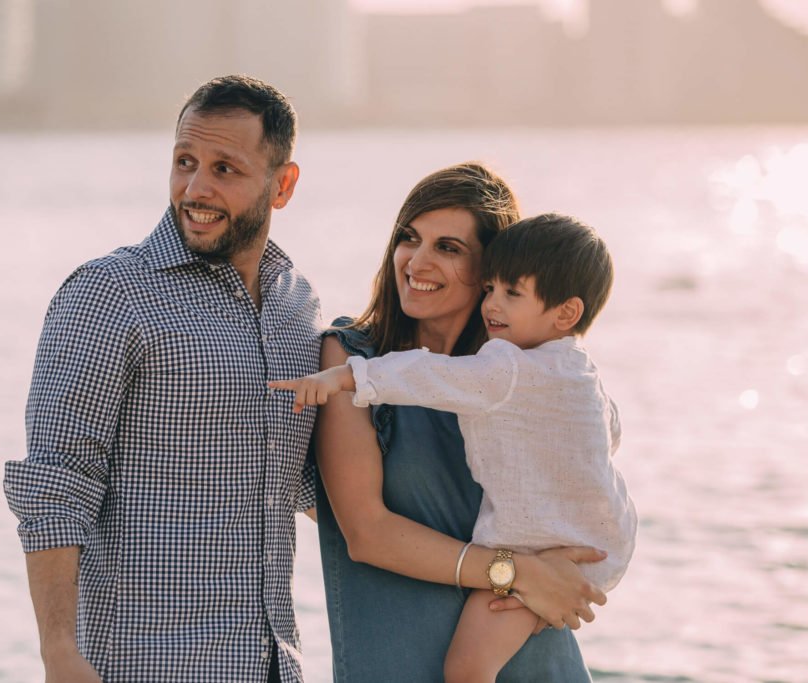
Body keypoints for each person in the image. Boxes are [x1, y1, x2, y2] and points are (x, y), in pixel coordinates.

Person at [3, 75, 321, 683]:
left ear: (282, 185)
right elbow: (55, 484)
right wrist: (59, 654)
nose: (195, 188)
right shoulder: (108, 293)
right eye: (184, 161)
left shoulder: (295, 304)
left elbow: (304, 483)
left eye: (225, 168)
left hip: (269, 666)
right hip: (144, 666)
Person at [271, 213, 637, 682]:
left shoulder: (505, 367)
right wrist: (520, 572)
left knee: (468, 669)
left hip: (550, 631)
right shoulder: (569, 370)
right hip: (576, 558)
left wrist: (347, 378)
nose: (419, 261)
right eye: (409, 238)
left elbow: (428, 376)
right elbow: (365, 534)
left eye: (448, 247)